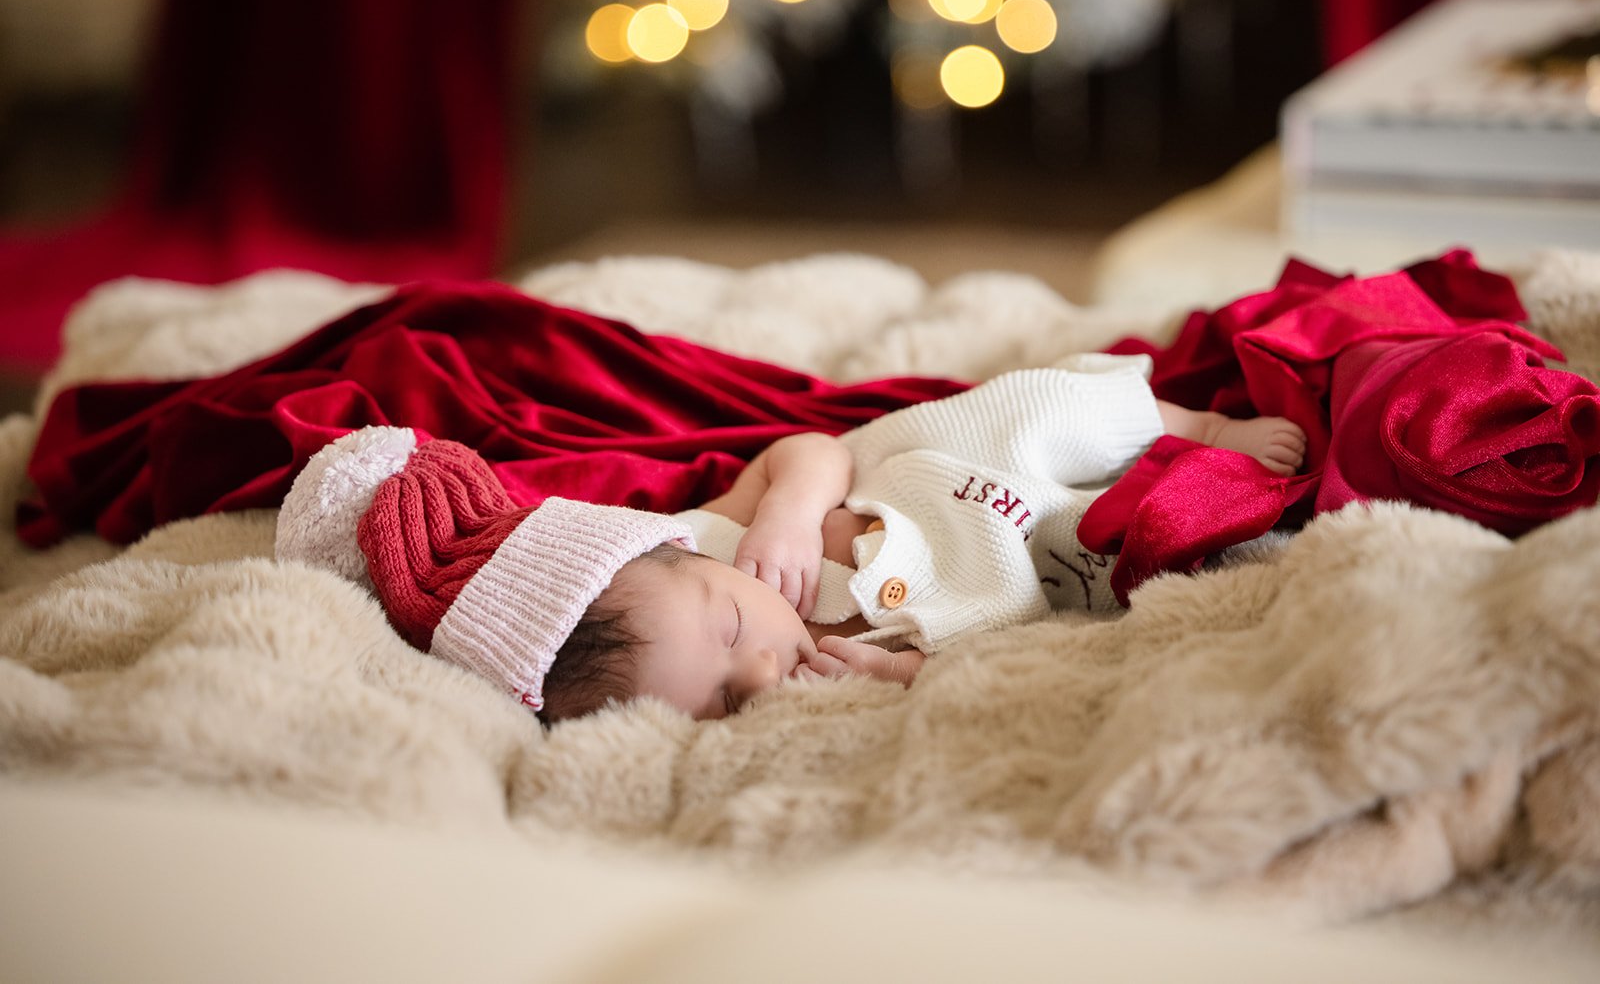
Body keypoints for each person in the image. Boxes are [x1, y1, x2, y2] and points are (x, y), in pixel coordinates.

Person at [275, 356, 1305, 723]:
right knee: (1116, 555)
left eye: (731, 627)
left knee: (1032, 406)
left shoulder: (709, 535)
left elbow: (806, 451)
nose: (763, 669)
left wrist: (782, 512)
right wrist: (895, 676)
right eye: (726, 698)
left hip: (942, 469)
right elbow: (977, 657)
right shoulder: (816, 667)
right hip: (1018, 557)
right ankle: (1185, 473)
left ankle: (1192, 425)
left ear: (670, 548)